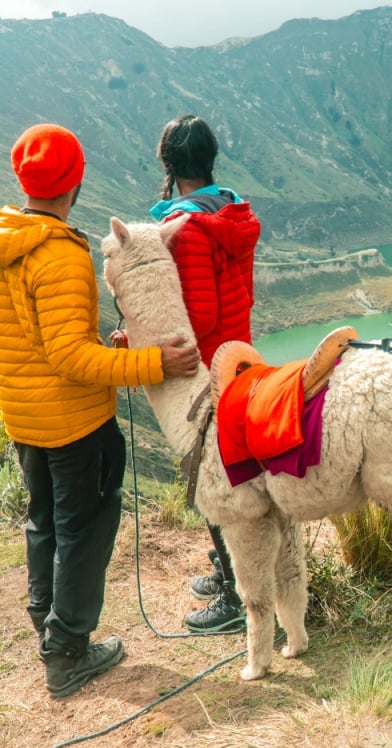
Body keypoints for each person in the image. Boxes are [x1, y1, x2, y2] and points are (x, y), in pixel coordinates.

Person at [0, 123, 201, 699]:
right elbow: (66, 357)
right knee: (85, 530)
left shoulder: (10, 236)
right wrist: (152, 364)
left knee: (45, 524)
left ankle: (49, 623)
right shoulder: (58, 253)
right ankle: (67, 652)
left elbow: (37, 340)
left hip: (26, 416)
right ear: (76, 183)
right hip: (73, 423)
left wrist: (102, 344)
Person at [150, 113, 261, 633]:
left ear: (170, 165)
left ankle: (237, 602)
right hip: (238, 356)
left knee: (208, 480)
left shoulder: (191, 228)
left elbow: (201, 317)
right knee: (228, 476)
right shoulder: (231, 211)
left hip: (208, 374)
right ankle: (227, 569)